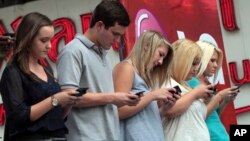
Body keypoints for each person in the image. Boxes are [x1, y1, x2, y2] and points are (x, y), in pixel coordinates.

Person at [56, 0, 140, 141]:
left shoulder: (103, 54)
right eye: (115, 34)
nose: (118, 40)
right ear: (100, 25)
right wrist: (114, 97)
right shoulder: (72, 51)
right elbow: (67, 97)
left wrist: (122, 98)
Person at [0, 12, 77, 141]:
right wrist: (55, 99)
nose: (49, 46)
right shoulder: (13, 72)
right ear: (28, 40)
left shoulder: (47, 70)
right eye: (43, 40)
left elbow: (55, 118)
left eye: (50, 40)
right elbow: (19, 116)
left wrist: (69, 102)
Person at [113, 30, 180, 141]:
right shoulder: (126, 68)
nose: (161, 62)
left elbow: (143, 119)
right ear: (147, 46)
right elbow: (118, 112)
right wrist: (153, 95)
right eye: (160, 54)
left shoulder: (144, 76)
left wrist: (164, 109)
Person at [161, 39, 215, 141]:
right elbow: (170, 110)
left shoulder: (185, 86)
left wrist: (205, 99)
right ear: (181, 60)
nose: (196, 68)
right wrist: (196, 93)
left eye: (198, 64)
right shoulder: (168, 82)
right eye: (193, 63)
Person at [187, 40, 239, 141]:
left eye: (216, 61)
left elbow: (213, 116)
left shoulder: (204, 84)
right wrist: (220, 96)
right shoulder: (192, 83)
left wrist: (225, 101)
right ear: (202, 60)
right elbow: (199, 116)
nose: (215, 65)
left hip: (220, 135)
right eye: (212, 60)